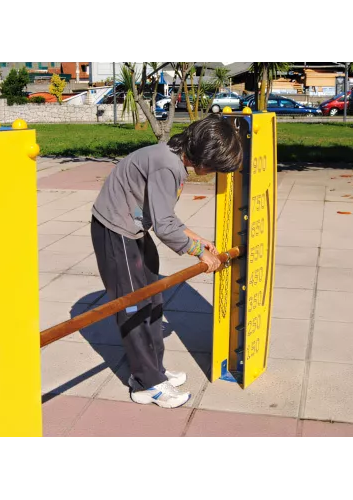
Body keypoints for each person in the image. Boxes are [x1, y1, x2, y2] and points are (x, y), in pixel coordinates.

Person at [90, 114, 243, 409]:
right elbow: (164, 226)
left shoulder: (171, 157)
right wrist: (199, 252)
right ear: (204, 158)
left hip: (132, 229)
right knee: (133, 307)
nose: (212, 174)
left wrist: (196, 238)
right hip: (115, 232)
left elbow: (165, 217)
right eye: (215, 168)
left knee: (153, 298)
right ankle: (145, 384)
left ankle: (154, 371)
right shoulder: (167, 165)